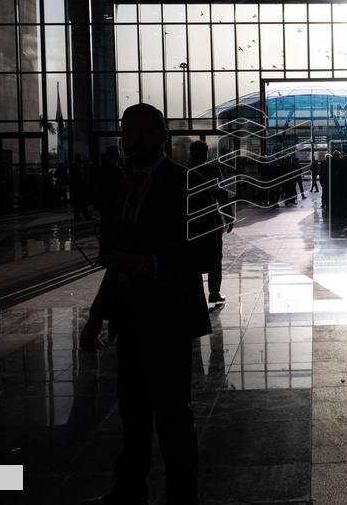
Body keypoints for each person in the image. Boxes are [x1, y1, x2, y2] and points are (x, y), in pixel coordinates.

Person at [81, 103, 212, 505]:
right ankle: (129, 489)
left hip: (169, 317)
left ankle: (181, 496)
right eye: (128, 131)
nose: (133, 139)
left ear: (161, 137)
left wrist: (150, 263)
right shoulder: (122, 186)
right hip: (132, 316)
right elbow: (117, 258)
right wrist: (97, 315)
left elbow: (202, 250)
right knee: (133, 412)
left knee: (173, 415)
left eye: (142, 132)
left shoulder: (185, 183)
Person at [189, 139, 232, 304]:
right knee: (215, 256)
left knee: (192, 257)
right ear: (205, 154)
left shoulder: (184, 172)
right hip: (210, 220)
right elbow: (221, 195)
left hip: (192, 222)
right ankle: (214, 292)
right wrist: (228, 217)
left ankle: (194, 294)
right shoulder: (213, 171)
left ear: (191, 154)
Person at [70, 153, 92, 221]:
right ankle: (83, 216)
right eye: (80, 158)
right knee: (81, 203)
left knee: (80, 203)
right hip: (79, 188)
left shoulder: (76, 166)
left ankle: (79, 216)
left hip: (79, 187)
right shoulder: (76, 167)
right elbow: (77, 178)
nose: (81, 159)